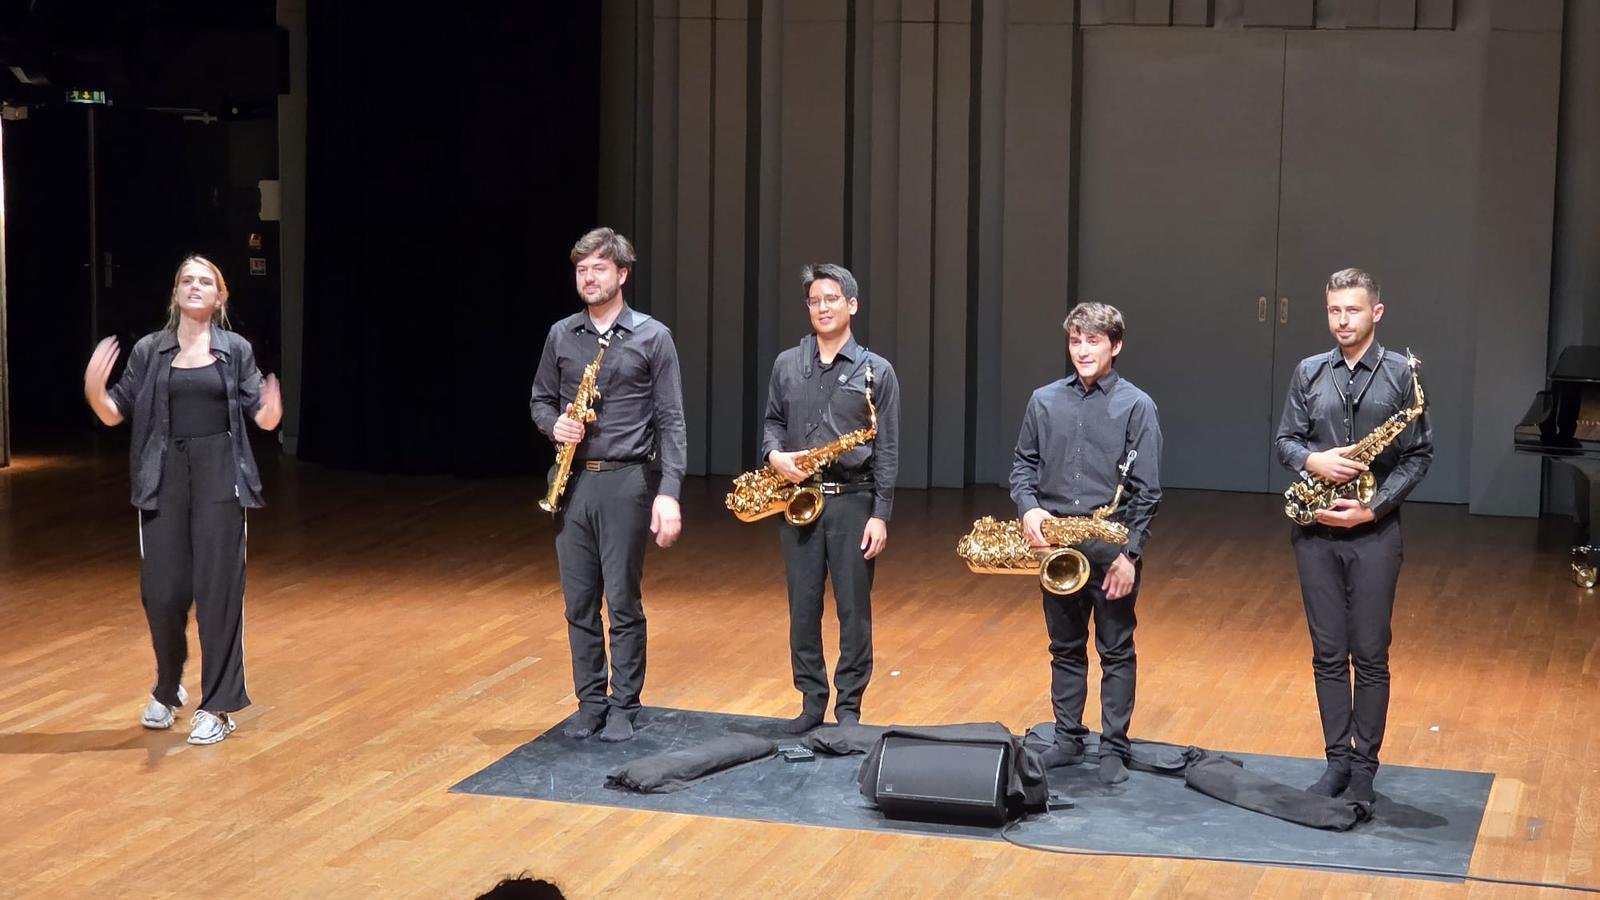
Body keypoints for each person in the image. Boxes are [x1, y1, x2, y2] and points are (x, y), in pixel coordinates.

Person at [82, 255, 282, 745]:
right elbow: (114, 412)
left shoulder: (235, 349)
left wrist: (271, 411)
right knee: (163, 592)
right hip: (163, 473)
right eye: (187, 280)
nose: (195, 286)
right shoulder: (150, 350)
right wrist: (94, 390)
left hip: (220, 473)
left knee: (218, 591)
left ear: (220, 296)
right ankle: (168, 687)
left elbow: (261, 414)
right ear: (175, 293)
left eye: (205, 281)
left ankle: (218, 705)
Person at [1274, 267, 1432, 803]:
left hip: (1374, 534)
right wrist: (1312, 460)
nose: (1342, 320)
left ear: (1376, 313)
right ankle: (1336, 762)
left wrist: (1373, 509)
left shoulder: (1401, 375)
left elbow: (1418, 456)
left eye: (1353, 310)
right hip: (1314, 530)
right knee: (1326, 652)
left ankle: (1364, 769)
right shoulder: (1309, 371)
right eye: (1334, 310)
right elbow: (1286, 440)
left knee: (1369, 653)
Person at [530, 227, 686, 743]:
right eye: (581, 270)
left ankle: (624, 704)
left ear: (622, 274)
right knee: (578, 601)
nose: (589, 278)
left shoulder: (652, 336)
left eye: (599, 268)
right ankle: (590, 702)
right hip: (573, 481)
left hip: (626, 480)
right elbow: (540, 400)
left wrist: (669, 492)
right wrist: (554, 424)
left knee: (621, 599)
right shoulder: (562, 334)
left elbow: (672, 420)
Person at [1010, 302, 1161, 785]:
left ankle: (1114, 746)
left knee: (1116, 648)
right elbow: (1022, 466)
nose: (1082, 350)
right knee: (1064, 647)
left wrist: (1130, 556)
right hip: (1057, 545)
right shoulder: (1044, 400)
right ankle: (1068, 738)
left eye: (1093, 341)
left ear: (1115, 346)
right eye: (1075, 341)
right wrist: (1029, 508)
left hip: (1110, 546)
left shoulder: (1137, 406)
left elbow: (1147, 491)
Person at [760, 263, 900, 733]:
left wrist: (880, 514)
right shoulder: (786, 364)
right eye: (815, 301)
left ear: (852, 305)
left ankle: (849, 709)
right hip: (797, 499)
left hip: (852, 501)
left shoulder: (876, 371)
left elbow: (888, 448)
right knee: (802, 608)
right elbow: (772, 422)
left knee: (853, 610)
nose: (823, 308)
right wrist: (774, 455)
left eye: (832, 299)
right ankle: (811, 701)